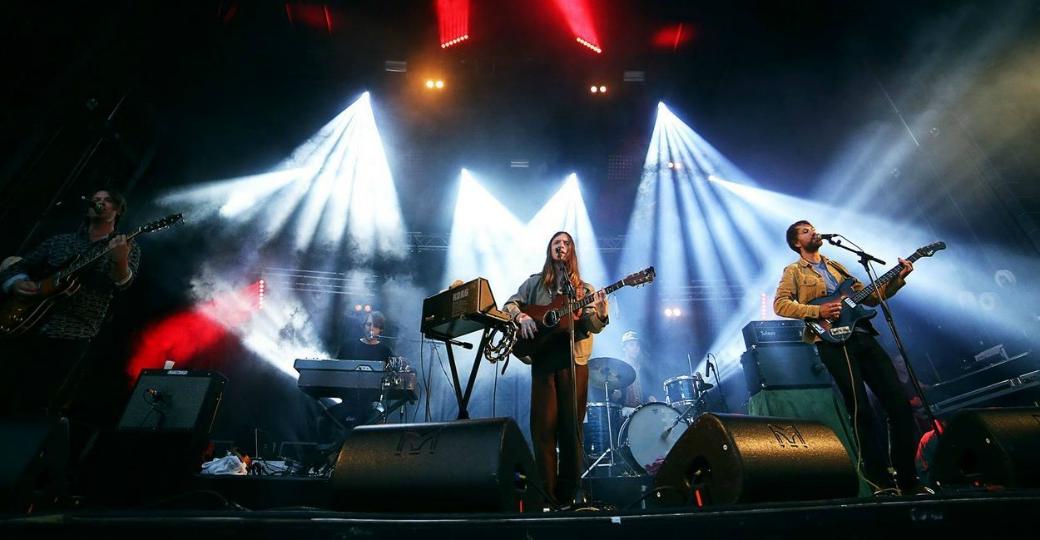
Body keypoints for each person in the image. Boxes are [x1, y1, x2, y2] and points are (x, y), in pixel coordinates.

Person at [774, 220, 919, 493]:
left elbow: (872, 298)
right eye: (806, 231)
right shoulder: (793, 271)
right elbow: (780, 304)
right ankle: (880, 482)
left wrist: (899, 276)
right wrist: (818, 312)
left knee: (899, 405)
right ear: (797, 243)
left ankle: (908, 479)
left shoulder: (837, 267)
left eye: (813, 228)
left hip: (864, 336)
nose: (814, 232)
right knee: (861, 410)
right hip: (833, 342)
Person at [0, 189, 141, 417]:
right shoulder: (60, 242)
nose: (99, 203)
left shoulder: (126, 246)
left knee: (37, 405)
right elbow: (16, 267)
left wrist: (121, 259)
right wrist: (17, 283)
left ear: (117, 211)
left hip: (72, 332)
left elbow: (122, 285)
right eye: (95, 200)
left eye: (106, 201)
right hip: (26, 327)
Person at [504, 231, 608, 505]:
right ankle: (546, 499)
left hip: (574, 363)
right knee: (543, 430)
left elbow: (589, 326)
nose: (561, 247)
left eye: (566, 244)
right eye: (556, 243)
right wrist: (522, 315)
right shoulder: (534, 283)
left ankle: (569, 496)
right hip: (543, 362)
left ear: (572, 252)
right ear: (549, 250)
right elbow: (509, 305)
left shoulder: (584, 290)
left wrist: (601, 314)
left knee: (571, 431)